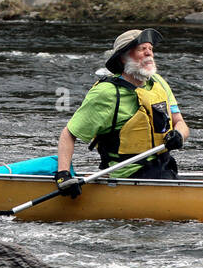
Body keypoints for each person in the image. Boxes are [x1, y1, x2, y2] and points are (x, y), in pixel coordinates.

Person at [53, 28, 190, 197]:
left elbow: (180, 123)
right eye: (142, 49)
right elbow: (69, 133)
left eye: (151, 49)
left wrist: (178, 135)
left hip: (164, 169)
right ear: (123, 57)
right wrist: (63, 175)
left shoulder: (158, 83)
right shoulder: (106, 93)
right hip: (127, 177)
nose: (149, 53)